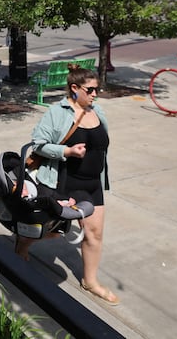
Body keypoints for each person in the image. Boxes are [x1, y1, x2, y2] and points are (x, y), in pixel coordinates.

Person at [14, 63, 119, 306]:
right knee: (50, 230)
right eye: (90, 90)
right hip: (63, 183)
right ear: (74, 88)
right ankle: (23, 243)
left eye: (97, 90)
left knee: (94, 233)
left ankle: (90, 281)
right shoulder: (57, 112)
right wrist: (67, 151)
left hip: (93, 184)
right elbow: (38, 143)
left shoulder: (98, 111)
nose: (95, 94)